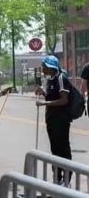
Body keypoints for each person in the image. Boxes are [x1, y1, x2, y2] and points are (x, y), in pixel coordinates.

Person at [36, 55, 72, 184]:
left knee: (63, 149)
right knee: (54, 149)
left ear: (51, 67)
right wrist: (43, 93)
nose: (43, 68)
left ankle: (67, 179)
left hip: (61, 120)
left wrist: (45, 104)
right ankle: (57, 178)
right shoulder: (50, 79)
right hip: (51, 120)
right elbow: (51, 97)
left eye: (44, 66)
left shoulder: (61, 78)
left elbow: (64, 100)